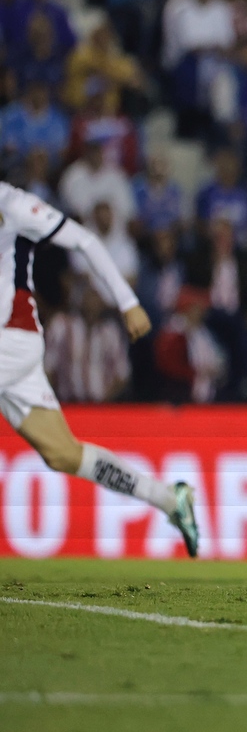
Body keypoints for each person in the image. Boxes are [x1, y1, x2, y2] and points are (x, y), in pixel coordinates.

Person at [0, 181, 200, 556]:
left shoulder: (14, 204)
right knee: (63, 453)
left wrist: (127, 302)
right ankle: (168, 498)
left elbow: (85, 241)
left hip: (11, 339)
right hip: (13, 353)